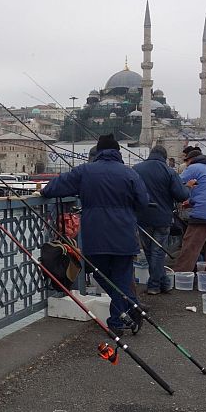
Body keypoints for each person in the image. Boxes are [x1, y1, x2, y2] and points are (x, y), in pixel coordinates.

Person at [41, 134, 149, 334]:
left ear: (98, 152)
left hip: (95, 236)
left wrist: (46, 192)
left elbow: (52, 188)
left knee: (97, 274)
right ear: (118, 152)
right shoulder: (130, 173)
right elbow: (143, 201)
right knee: (122, 278)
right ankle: (126, 312)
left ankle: (125, 313)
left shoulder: (85, 171)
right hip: (124, 235)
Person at [133, 145, 189, 295]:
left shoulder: (136, 169)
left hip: (142, 217)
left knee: (149, 252)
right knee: (158, 252)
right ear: (164, 157)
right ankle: (155, 285)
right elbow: (181, 195)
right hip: (163, 218)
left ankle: (162, 283)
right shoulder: (169, 171)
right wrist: (188, 187)